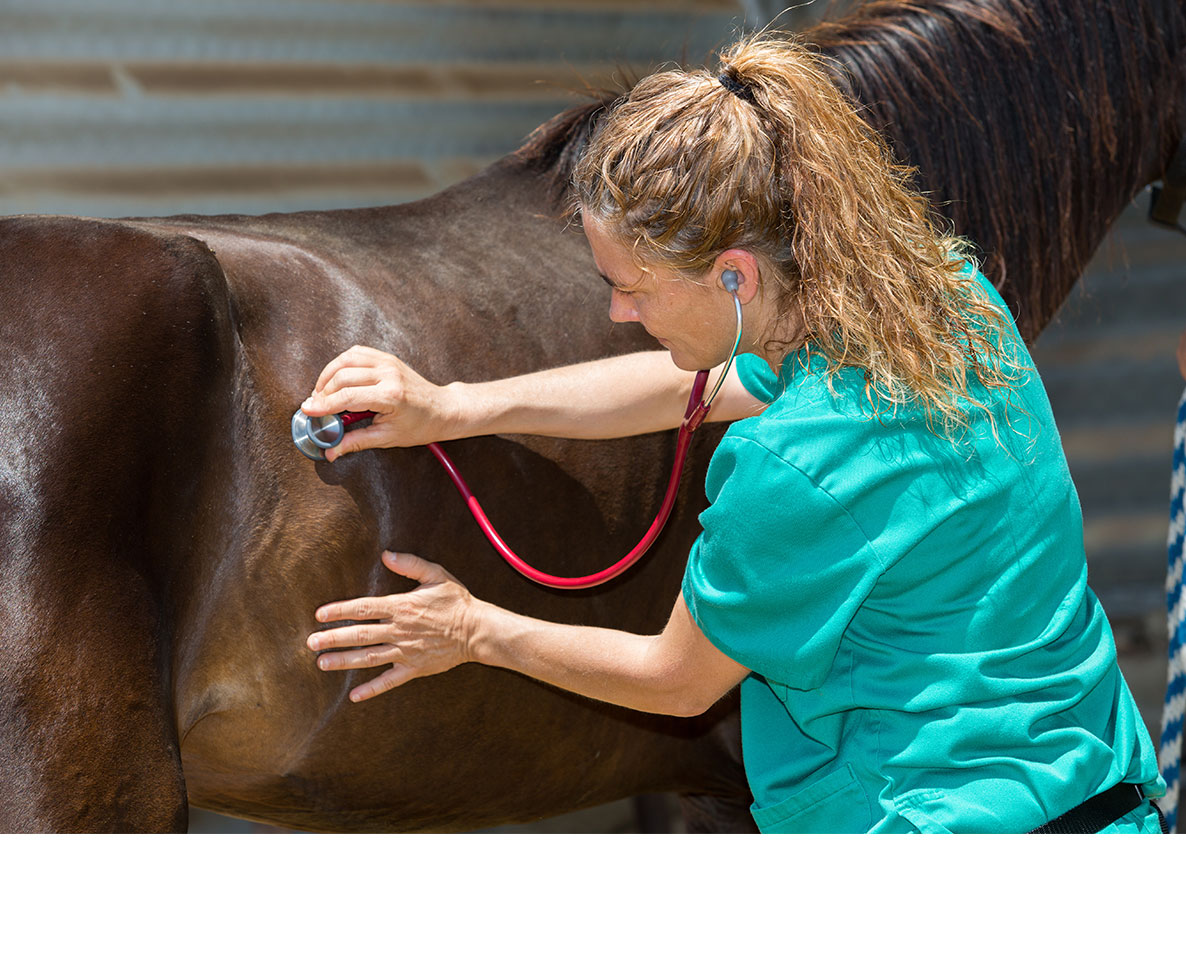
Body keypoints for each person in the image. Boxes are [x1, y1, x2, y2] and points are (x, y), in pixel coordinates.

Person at [298, 35, 1165, 833]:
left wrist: (471, 630)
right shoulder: (946, 298)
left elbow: (675, 681)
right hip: (1103, 804)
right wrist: (454, 405)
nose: (618, 313)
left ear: (735, 275)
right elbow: (696, 385)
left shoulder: (792, 467)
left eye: (633, 288)